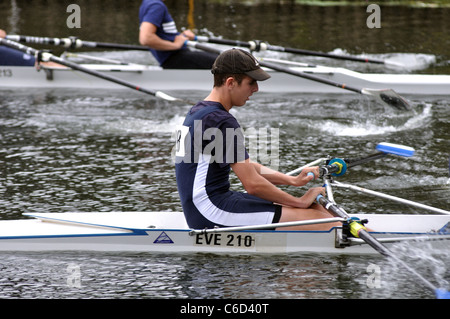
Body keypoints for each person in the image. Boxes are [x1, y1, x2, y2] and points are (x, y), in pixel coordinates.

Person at [174, 48, 341, 231]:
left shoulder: (198, 111)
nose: (256, 89)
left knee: (315, 209)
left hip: (206, 206)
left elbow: (246, 166)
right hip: (209, 212)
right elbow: (252, 184)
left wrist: (292, 180)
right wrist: (298, 201)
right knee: (325, 222)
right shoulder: (221, 120)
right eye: (251, 82)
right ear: (231, 82)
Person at [138, 0, 217, 69]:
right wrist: (175, 45)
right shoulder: (156, 6)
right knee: (225, 63)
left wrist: (181, 36)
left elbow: (163, 34)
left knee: (222, 59)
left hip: (176, 56)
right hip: (174, 58)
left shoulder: (148, 2)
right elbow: (146, 38)